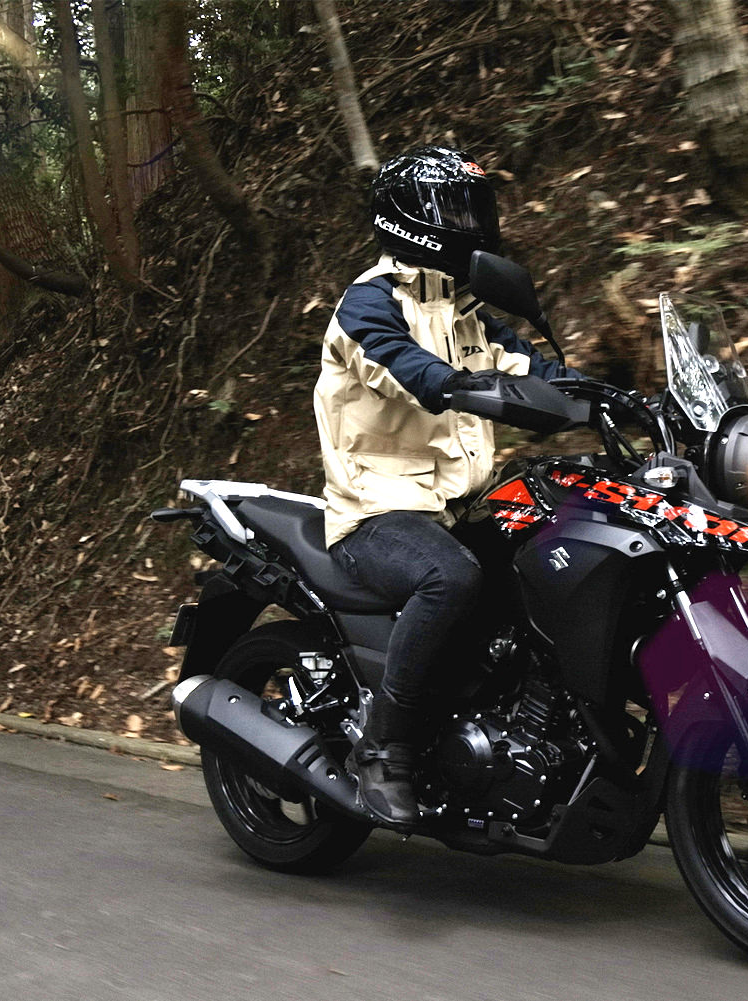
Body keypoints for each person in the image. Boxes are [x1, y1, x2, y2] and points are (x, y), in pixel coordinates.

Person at [314, 145, 578, 825]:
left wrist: (618, 398)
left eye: (474, 209)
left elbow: (536, 368)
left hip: (455, 507)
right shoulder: (367, 305)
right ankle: (384, 748)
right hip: (376, 512)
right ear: (411, 220)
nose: (472, 224)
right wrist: (463, 385)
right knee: (451, 577)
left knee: (551, 551)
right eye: (456, 210)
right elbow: (405, 367)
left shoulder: (467, 312)